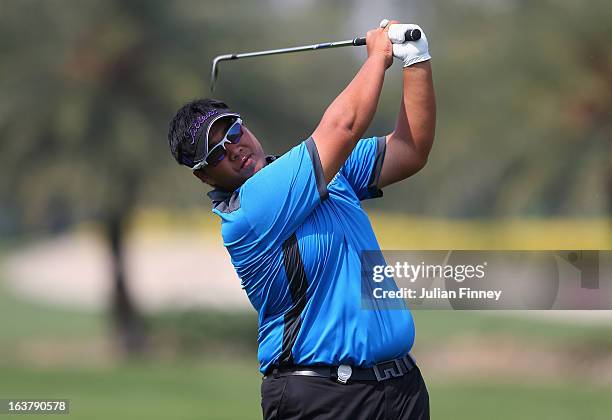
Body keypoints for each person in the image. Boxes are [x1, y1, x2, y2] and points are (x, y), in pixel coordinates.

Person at [167, 19, 435, 420]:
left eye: (234, 131)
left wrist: (417, 59)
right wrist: (379, 57)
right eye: (217, 152)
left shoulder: (326, 170)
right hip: (323, 396)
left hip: (400, 391)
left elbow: (410, 151)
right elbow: (342, 126)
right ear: (205, 175)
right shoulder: (249, 209)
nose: (235, 148)